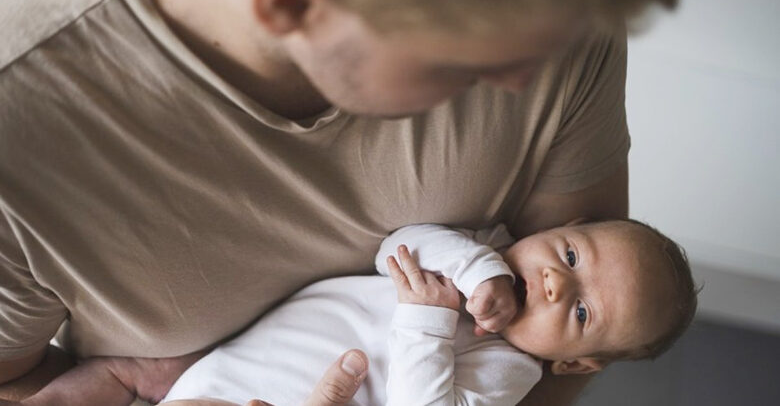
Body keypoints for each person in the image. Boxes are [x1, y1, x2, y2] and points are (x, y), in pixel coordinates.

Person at [0, 0, 689, 404]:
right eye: (474, 59)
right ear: (294, 2)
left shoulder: (547, 2)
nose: (521, 82)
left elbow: (576, 345)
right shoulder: (23, 129)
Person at [9, 220, 697, 405]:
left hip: (276, 398)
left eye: (580, 313)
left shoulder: (508, 372)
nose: (551, 284)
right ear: (565, 226)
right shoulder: (479, 245)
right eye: (571, 257)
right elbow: (394, 247)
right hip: (210, 366)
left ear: (573, 363)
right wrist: (474, 266)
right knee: (133, 366)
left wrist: (428, 321)